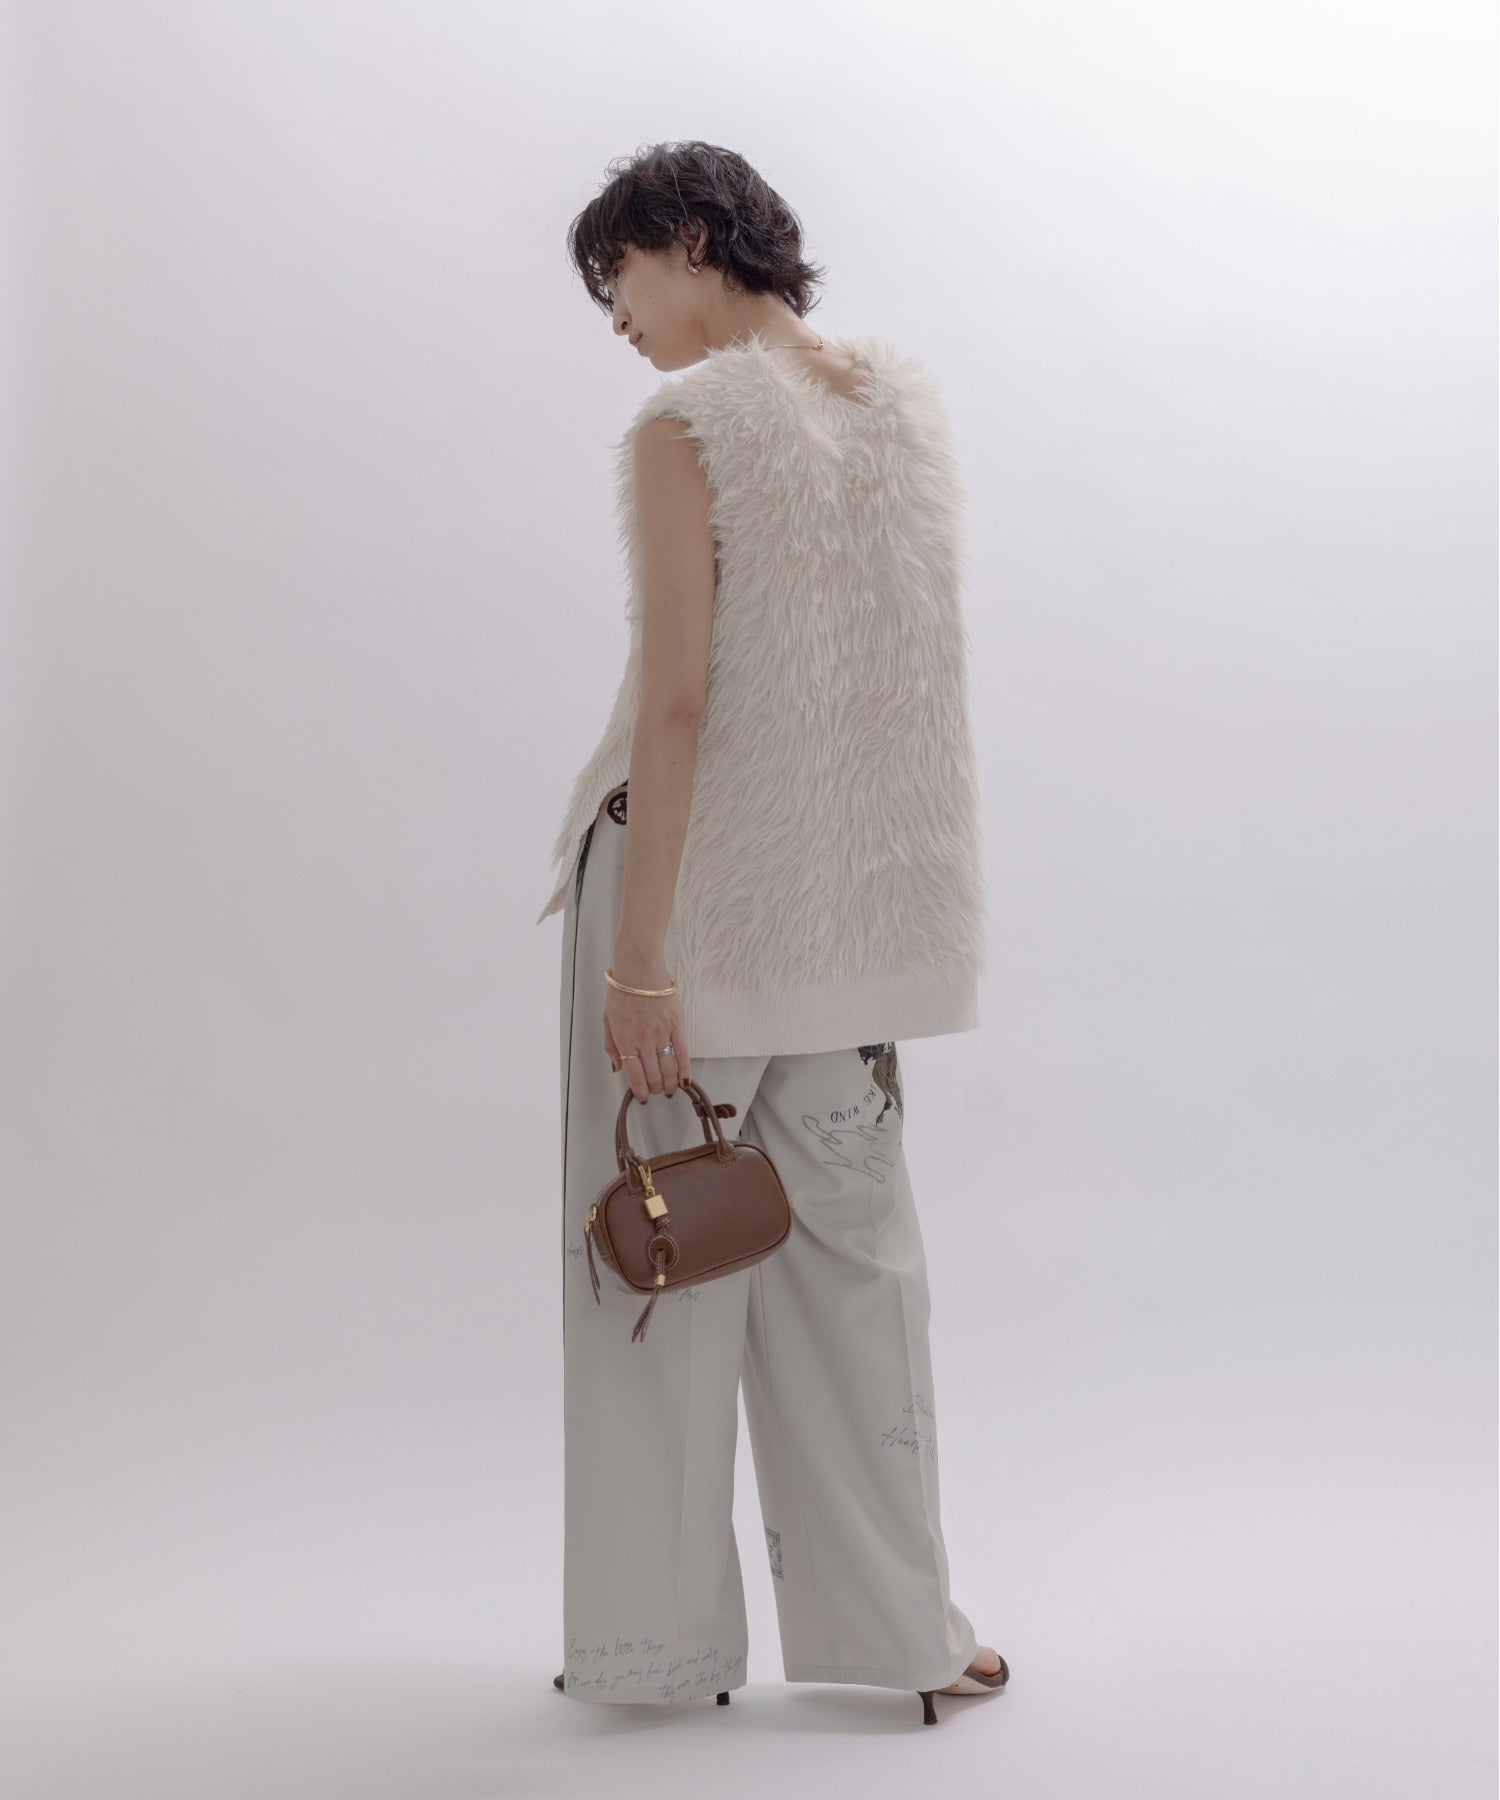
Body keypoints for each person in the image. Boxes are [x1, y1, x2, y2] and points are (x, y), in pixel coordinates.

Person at [538, 141, 1009, 1726]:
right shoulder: (900, 415)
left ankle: (653, 1656)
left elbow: (677, 703)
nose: (619, 319)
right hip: (845, 923)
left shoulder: (693, 426)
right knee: (860, 1280)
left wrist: (641, 960)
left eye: (619, 278)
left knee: (655, 1272)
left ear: (690, 237)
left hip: (691, 904)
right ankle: (910, 1636)